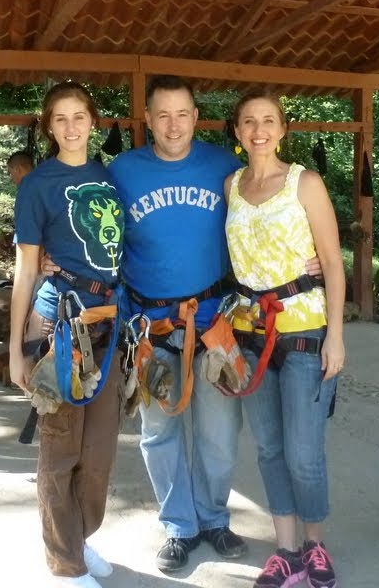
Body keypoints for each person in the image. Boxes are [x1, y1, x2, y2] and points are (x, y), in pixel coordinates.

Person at [106, 75, 248, 573]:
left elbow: (265, 218)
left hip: (213, 325)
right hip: (151, 326)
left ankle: (213, 518)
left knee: (218, 435)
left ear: (195, 117)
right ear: (146, 119)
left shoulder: (224, 167)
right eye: (162, 115)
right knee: (159, 433)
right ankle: (178, 526)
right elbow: (95, 232)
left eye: (182, 114)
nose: (173, 125)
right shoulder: (122, 171)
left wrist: (309, 261)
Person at [223, 89, 346, 588]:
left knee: (303, 451)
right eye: (249, 121)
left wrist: (335, 336)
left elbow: (333, 263)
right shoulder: (230, 184)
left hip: (303, 332)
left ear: (283, 129)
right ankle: (286, 549)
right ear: (236, 131)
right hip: (250, 334)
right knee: (269, 448)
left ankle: (315, 544)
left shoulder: (305, 183)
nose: (259, 130)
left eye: (268, 120)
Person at [9, 81, 125, 588]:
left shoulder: (110, 176)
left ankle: (81, 537)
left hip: (110, 321)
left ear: (93, 121)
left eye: (80, 116)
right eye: (61, 118)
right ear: (48, 125)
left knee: (99, 452)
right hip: (59, 325)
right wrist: (14, 349)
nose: (72, 127)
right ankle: (65, 562)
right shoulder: (37, 185)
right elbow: (24, 270)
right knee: (61, 451)